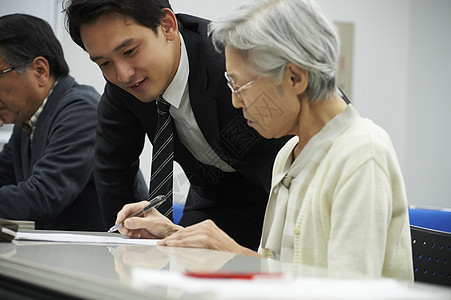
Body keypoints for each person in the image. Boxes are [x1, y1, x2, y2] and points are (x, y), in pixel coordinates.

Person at [114, 0, 414, 281]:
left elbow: (348, 291)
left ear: (295, 78)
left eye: (240, 85)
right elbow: (277, 265)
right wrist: (174, 234)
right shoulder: (288, 154)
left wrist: (233, 255)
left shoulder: (362, 153)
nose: (234, 101)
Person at [64, 0, 288, 249]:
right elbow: (112, 171)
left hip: (286, 187)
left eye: (130, 51)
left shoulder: (232, 58)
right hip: (218, 194)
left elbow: (313, 126)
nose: (123, 74)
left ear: (167, 25)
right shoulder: (122, 90)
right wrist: (129, 242)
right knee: (178, 260)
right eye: (105, 63)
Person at [0, 14, 104, 231]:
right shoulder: (26, 120)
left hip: (105, 257)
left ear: (40, 71)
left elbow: (42, 197)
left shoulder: (82, 109)